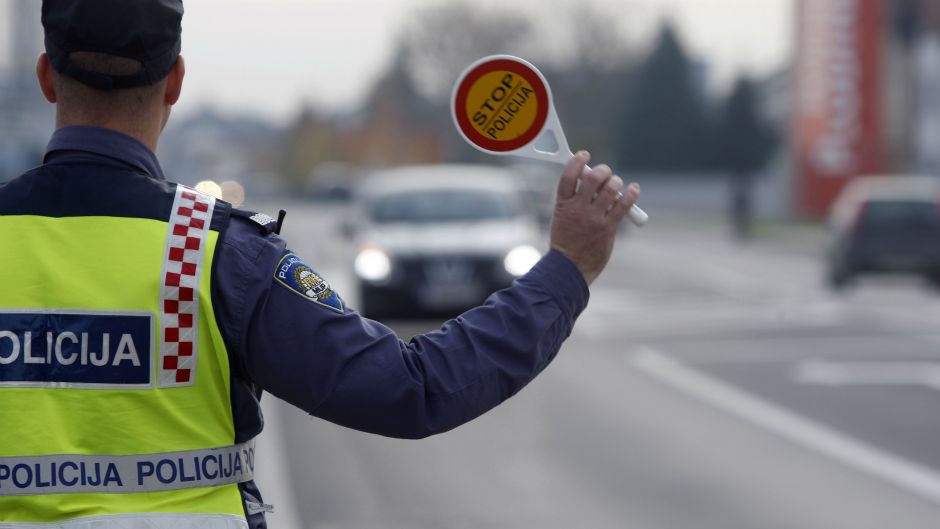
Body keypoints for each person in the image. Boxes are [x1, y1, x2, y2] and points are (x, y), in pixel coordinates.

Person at [0, 0, 641, 527]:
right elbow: (411, 390)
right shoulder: (213, 251)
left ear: (46, 76)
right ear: (175, 81)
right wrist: (565, 269)